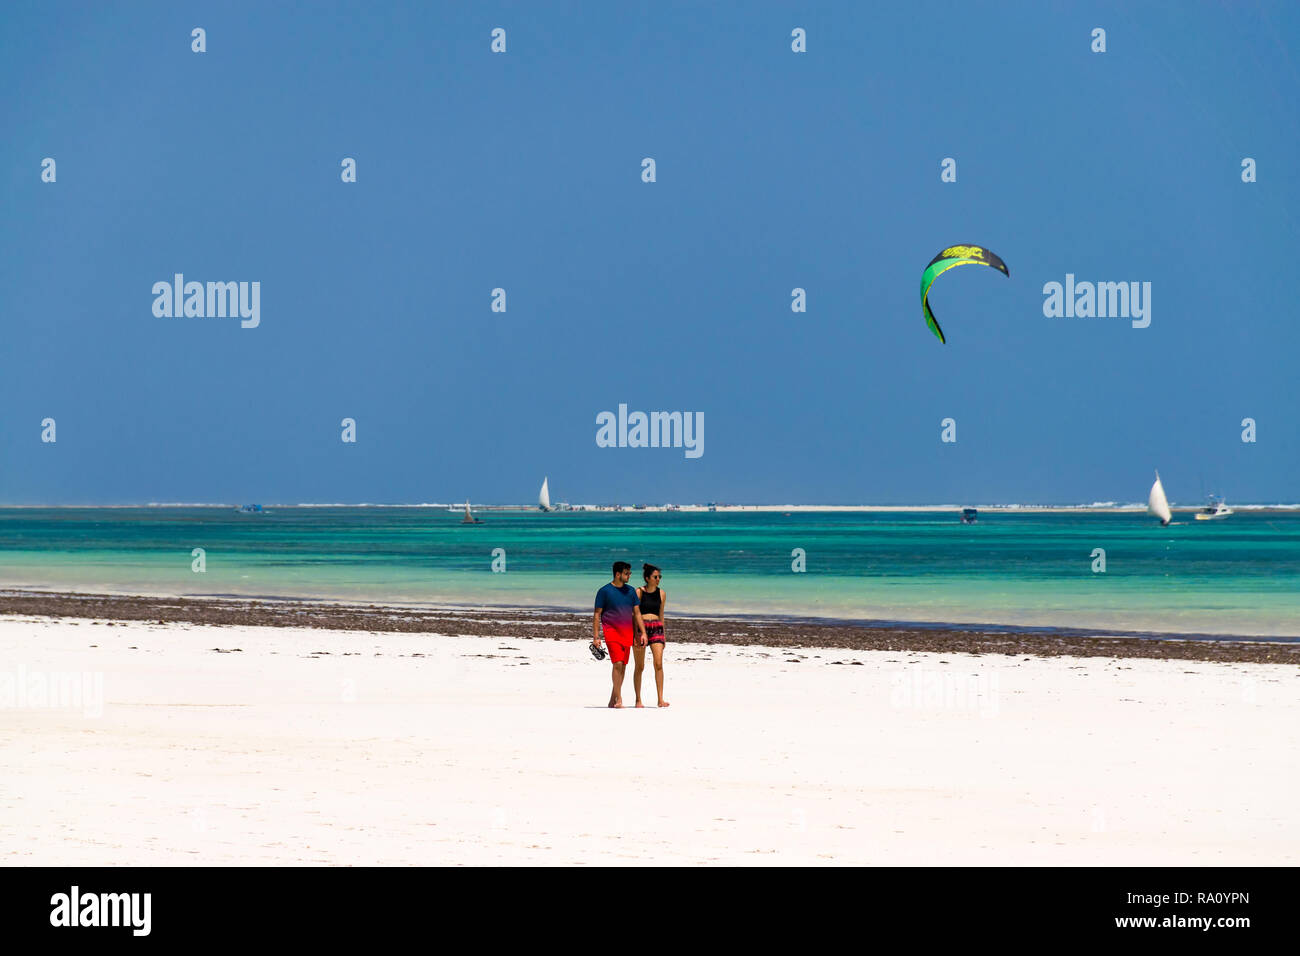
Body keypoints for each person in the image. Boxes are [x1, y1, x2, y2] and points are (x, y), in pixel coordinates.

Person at [593, 561, 646, 708]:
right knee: (617, 664)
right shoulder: (604, 591)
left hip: (627, 633)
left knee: (622, 667)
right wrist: (596, 637)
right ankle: (619, 698)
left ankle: (612, 699)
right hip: (611, 632)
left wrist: (642, 633)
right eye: (626, 573)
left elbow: (637, 613)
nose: (629, 575)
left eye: (630, 573)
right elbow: (597, 615)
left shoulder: (631, 591)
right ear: (618, 574)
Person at [633, 563, 669, 708]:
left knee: (658, 663)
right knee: (640, 666)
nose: (658, 579)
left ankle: (660, 699)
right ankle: (638, 700)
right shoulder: (639, 592)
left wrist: (664, 635)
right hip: (641, 628)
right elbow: (634, 614)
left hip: (656, 628)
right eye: (655, 577)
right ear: (647, 578)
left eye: (659, 576)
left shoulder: (662, 593)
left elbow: (661, 615)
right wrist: (636, 633)